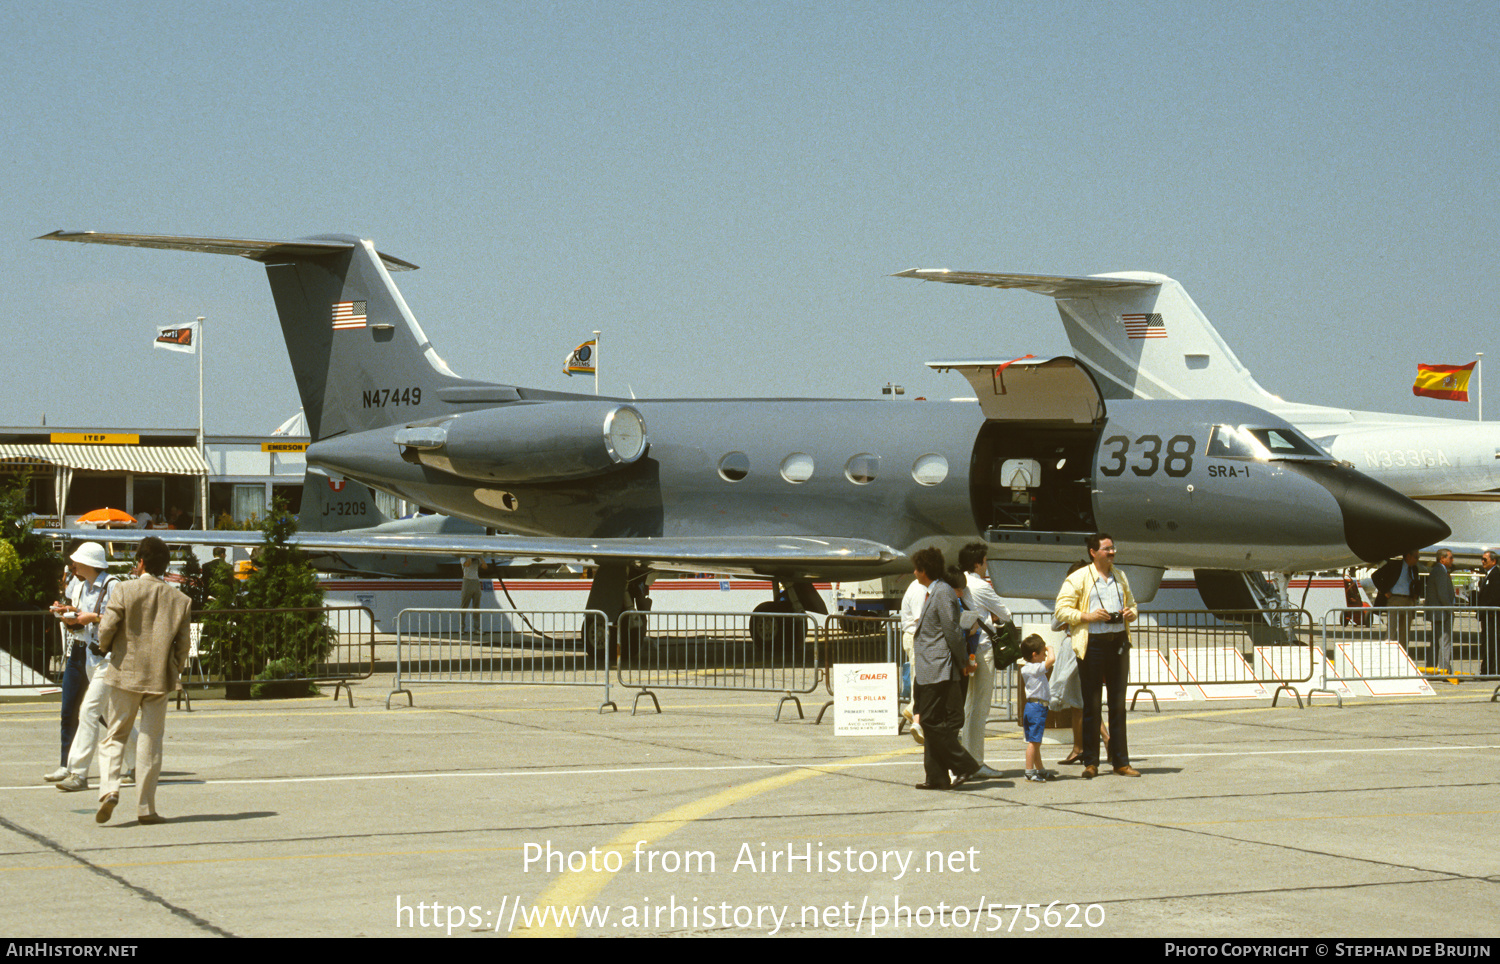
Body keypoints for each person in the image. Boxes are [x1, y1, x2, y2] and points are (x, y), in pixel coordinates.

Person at [93, 536, 192, 825]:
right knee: (151, 742)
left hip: (125, 672)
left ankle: (110, 789)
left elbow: (108, 627)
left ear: (140, 562)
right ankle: (146, 808)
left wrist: (103, 646)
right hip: (159, 677)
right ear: (165, 565)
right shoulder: (180, 600)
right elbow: (183, 646)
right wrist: (175, 668)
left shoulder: (124, 590)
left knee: (115, 735)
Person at [1055, 533, 1140, 779]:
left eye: (1113, 548)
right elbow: (1061, 609)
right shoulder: (1079, 578)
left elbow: (1133, 605)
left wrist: (1131, 613)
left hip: (1118, 644)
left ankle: (1121, 762)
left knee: (1118, 705)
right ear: (1093, 552)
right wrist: (1088, 616)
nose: (1112, 553)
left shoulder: (1120, 576)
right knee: (1091, 704)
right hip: (1092, 645)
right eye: (1106, 549)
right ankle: (1091, 762)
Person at [909, 547, 982, 790]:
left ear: (924, 571)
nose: (914, 573)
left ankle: (964, 764)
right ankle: (937, 776)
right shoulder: (935, 592)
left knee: (929, 721)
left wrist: (962, 661)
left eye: (917, 569)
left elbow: (952, 631)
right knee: (934, 722)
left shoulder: (941, 593)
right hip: (930, 667)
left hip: (938, 667)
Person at [44, 543, 116, 784]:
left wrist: (91, 617)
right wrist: (70, 611)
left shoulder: (112, 586)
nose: (73, 565)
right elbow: (84, 614)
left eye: (77, 561)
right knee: (88, 712)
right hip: (82, 653)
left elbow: (120, 619)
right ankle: (68, 766)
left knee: (90, 712)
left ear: (88, 562)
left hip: (104, 656)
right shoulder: (81, 586)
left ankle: (77, 772)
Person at [957, 543, 1011, 767]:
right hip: (983, 648)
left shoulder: (961, 583)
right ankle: (976, 762)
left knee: (970, 706)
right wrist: (992, 615)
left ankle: (969, 757)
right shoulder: (981, 586)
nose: (986, 566)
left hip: (966, 649)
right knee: (980, 709)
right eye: (985, 561)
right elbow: (1006, 614)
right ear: (977, 563)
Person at [1016, 634, 1056, 783]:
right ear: (1034, 655)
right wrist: (1050, 648)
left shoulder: (1027, 668)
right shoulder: (1035, 668)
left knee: (1036, 741)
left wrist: (1042, 647)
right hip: (1037, 707)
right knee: (1034, 743)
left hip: (1032, 707)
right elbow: (1051, 660)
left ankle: (1040, 770)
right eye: (1042, 653)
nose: (1045, 655)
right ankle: (1029, 771)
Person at [898, 576, 929, 743]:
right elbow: (920, 619)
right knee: (919, 680)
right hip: (917, 637)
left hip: (917, 637)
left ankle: (916, 715)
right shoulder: (919, 589)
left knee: (919, 679)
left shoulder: (920, 587)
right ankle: (914, 712)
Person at [1372, 551, 1422, 651]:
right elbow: (1375, 576)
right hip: (1394, 599)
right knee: (1392, 629)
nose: (1418, 559)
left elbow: (1417, 583)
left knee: (1405, 631)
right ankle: (1387, 652)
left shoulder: (1414, 569)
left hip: (1408, 600)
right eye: (1416, 557)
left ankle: (1403, 652)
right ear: (1408, 556)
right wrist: (1385, 591)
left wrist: (1415, 595)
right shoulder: (1394, 565)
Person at [1425, 549, 1455, 675]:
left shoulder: (1438, 571)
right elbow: (1442, 594)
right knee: (1444, 642)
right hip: (1442, 613)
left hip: (1437, 612)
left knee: (1437, 641)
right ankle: (1444, 669)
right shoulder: (1440, 572)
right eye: (1450, 558)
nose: (1452, 561)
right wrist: (1450, 610)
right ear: (1442, 559)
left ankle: (1432, 668)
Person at [1476, 550, 1500, 677]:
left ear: (1493, 561)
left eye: (1485, 559)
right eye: (1482, 559)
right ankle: (1488, 669)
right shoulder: (1489, 575)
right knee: (1487, 642)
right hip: (1487, 615)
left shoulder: (1496, 575)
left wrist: (1486, 608)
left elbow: (1495, 595)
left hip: (1492, 616)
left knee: (1491, 642)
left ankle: (1490, 670)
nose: (1482, 561)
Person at [459, 555, 482, 633]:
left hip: (476, 581)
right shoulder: (463, 558)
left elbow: (485, 566)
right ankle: (461, 628)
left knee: (476, 606)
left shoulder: (477, 559)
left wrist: (480, 557)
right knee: (464, 606)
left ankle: (477, 628)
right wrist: (470, 556)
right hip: (467, 580)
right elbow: (468, 564)